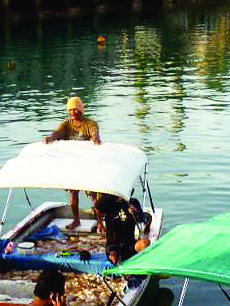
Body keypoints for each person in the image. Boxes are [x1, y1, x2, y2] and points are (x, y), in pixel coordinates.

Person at [42, 96, 101, 230]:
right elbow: (57, 133)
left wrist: (95, 138)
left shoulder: (89, 123)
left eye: (75, 110)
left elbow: (94, 132)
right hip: (73, 165)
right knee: (73, 194)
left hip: (89, 164)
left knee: (94, 195)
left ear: (81, 110)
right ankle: (76, 221)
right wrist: (50, 138)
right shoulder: (66, 124)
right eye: (70, 110)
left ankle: (99, 222)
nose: (73, 113)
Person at [93, 195, 152, 265]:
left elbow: (142, 219)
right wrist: (113, 196)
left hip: (129, 244)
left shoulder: (133, 202)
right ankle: (118, 264)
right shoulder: (108, 203)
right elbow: (98, 205)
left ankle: (140, 264)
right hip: (113, 246)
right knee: (114, 256)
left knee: (145, 243)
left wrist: (136, 212)